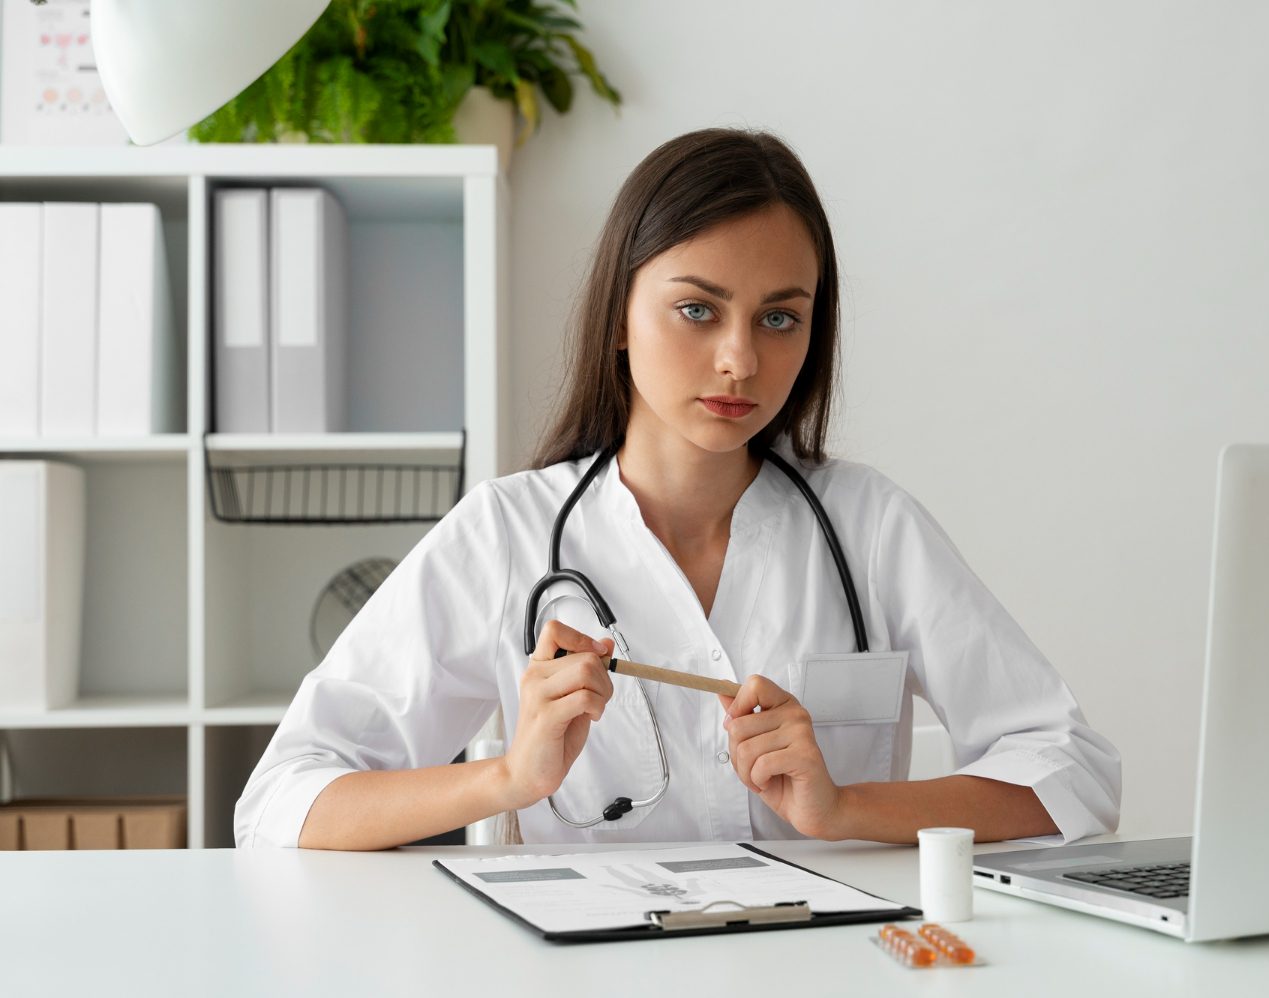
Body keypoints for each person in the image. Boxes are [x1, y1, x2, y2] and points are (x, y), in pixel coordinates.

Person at [235, 128, 1121, 850]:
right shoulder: (506, 533)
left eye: (780, 318)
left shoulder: (870, 527)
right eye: (697, 309)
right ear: (620, 315)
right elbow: (282, 800)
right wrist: (511, 779)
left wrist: (845, 810)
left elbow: (1070, 767)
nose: (741, 359)